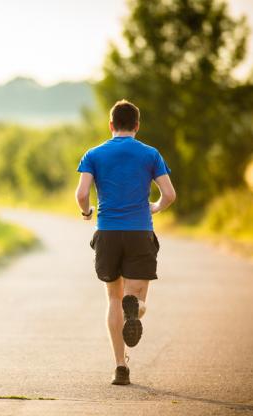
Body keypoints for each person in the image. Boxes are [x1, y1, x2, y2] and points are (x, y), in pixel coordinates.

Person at [74, 99, 176, 385]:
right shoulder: (150, 154)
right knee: (136, 299)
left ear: (110, 125)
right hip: (139, 232)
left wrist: (86, 212)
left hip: (107, 232)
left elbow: (82, 194)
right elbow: (169, 195)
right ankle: (138, 309)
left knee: (113, 299)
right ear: (137, 125)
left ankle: (120, 367)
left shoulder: (94, 154)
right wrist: (155, 207)